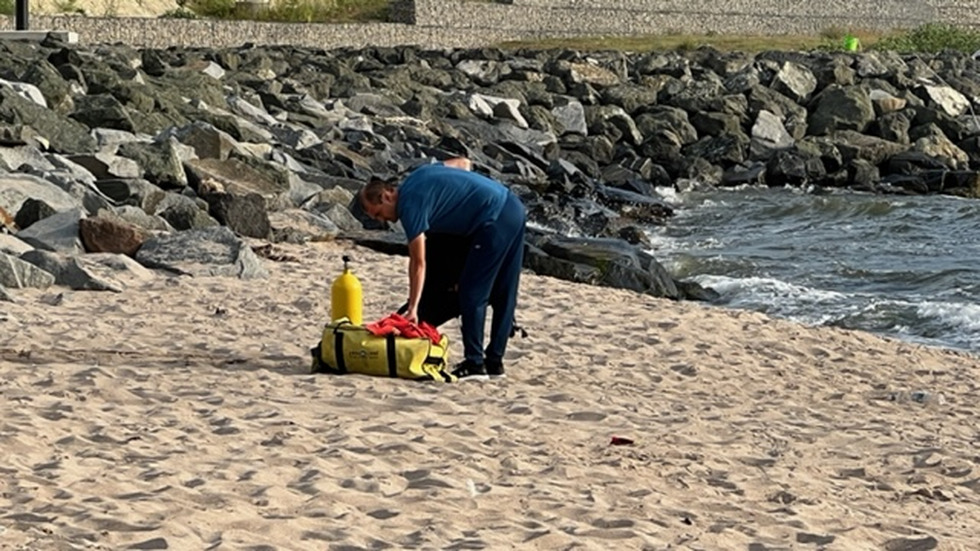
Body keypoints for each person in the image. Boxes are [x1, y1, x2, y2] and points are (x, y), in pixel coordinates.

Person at [359, 158, 526, 381]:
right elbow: (463, 163)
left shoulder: (409, 206)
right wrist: (463, 194)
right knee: (506, 291)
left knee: (471, 292)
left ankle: (475, 363)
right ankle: (495, 362)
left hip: (492, 219)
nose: (383, 221)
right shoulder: (419, 174)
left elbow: (418, 263)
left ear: (387, 195)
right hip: (512, 206)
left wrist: (413, 308)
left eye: (379, 213)